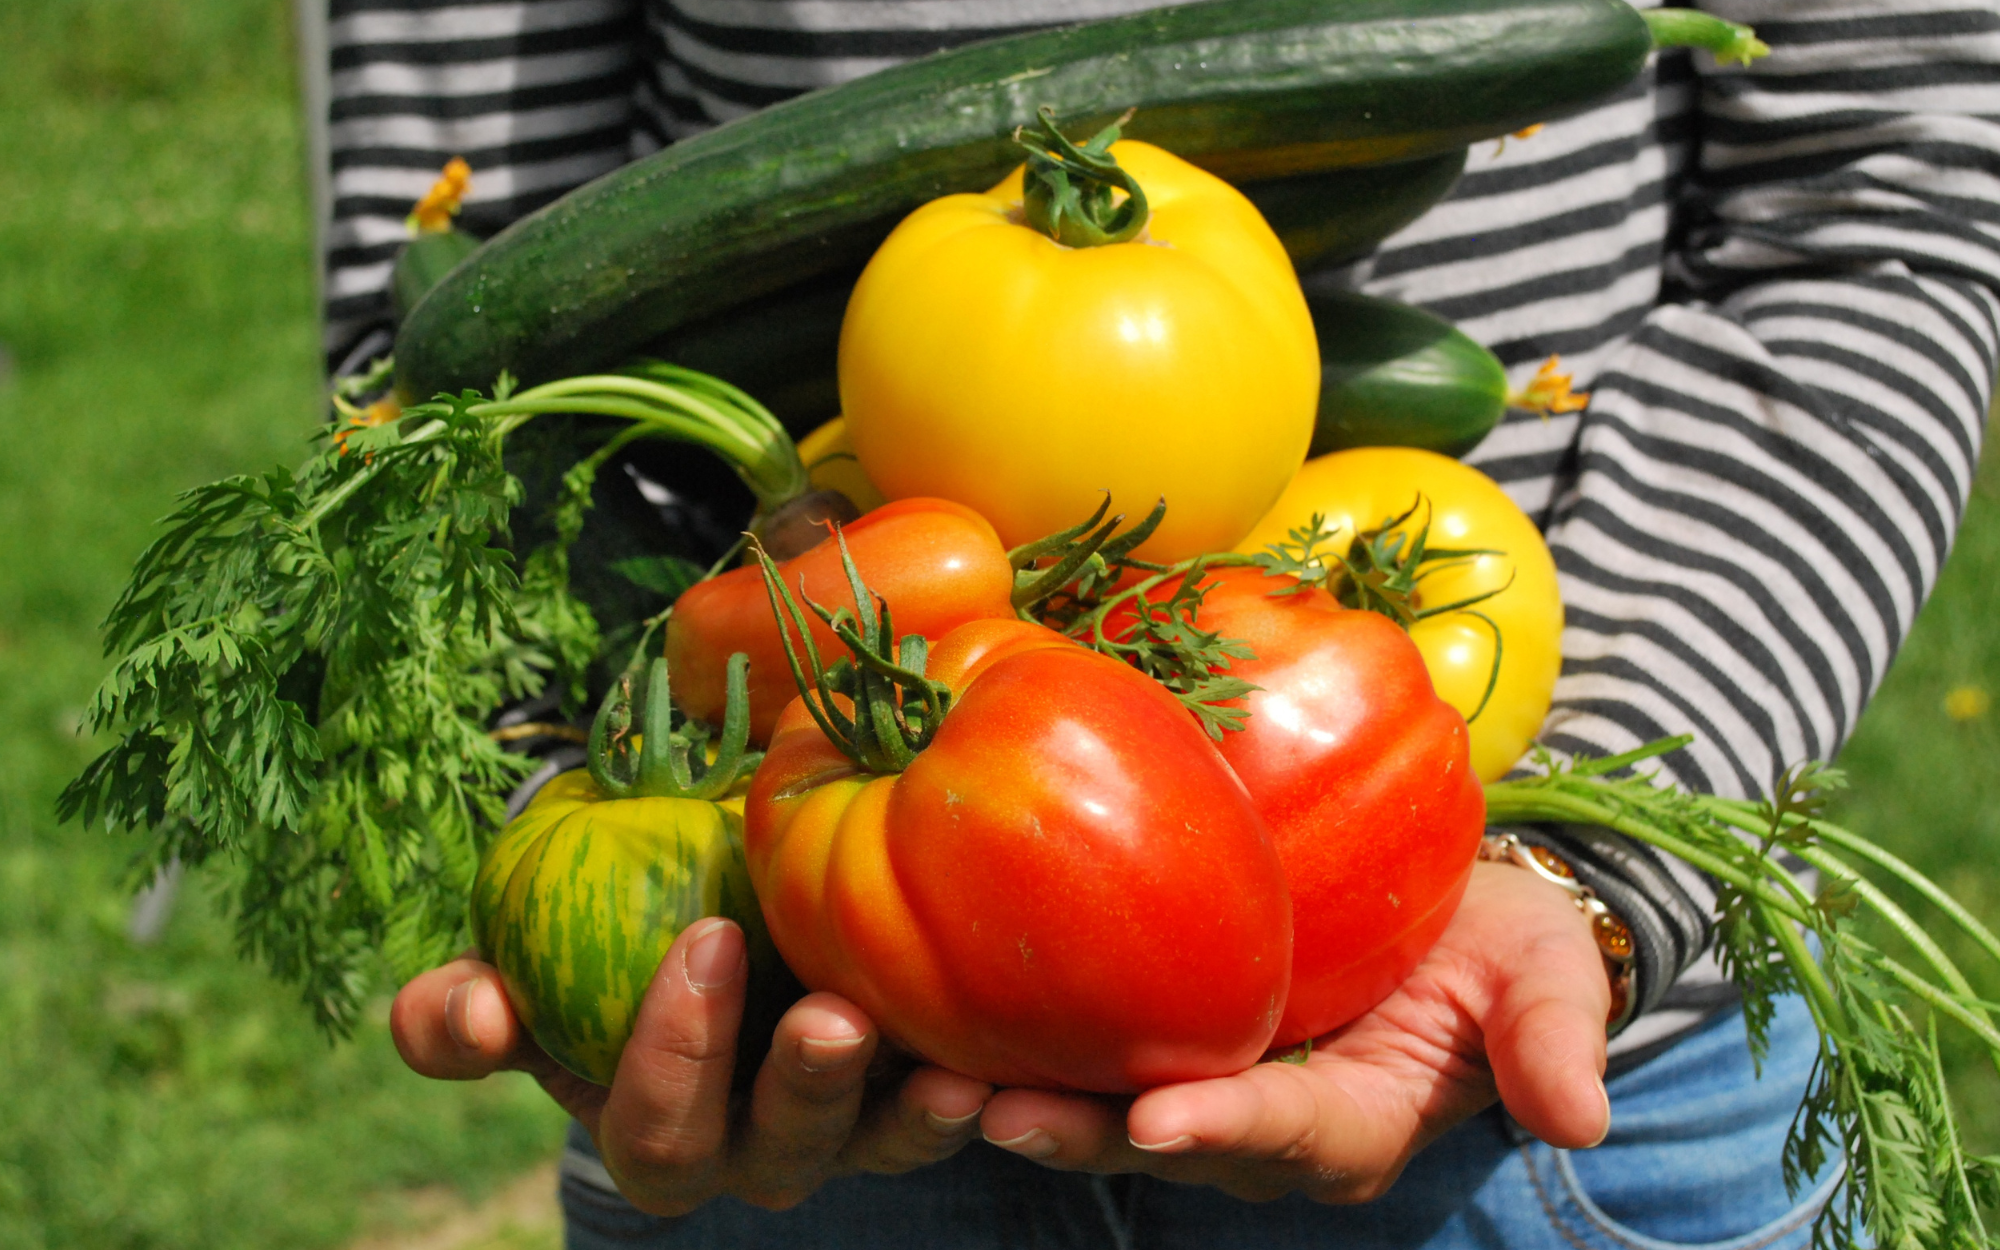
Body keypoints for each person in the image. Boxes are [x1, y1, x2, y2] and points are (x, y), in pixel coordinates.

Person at [322, 0, 2000, 1244]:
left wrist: (1587, 869)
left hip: (1550, 1080)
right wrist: (573, 819)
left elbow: (1885, 212)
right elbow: (448, 335)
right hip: (784, 1023)